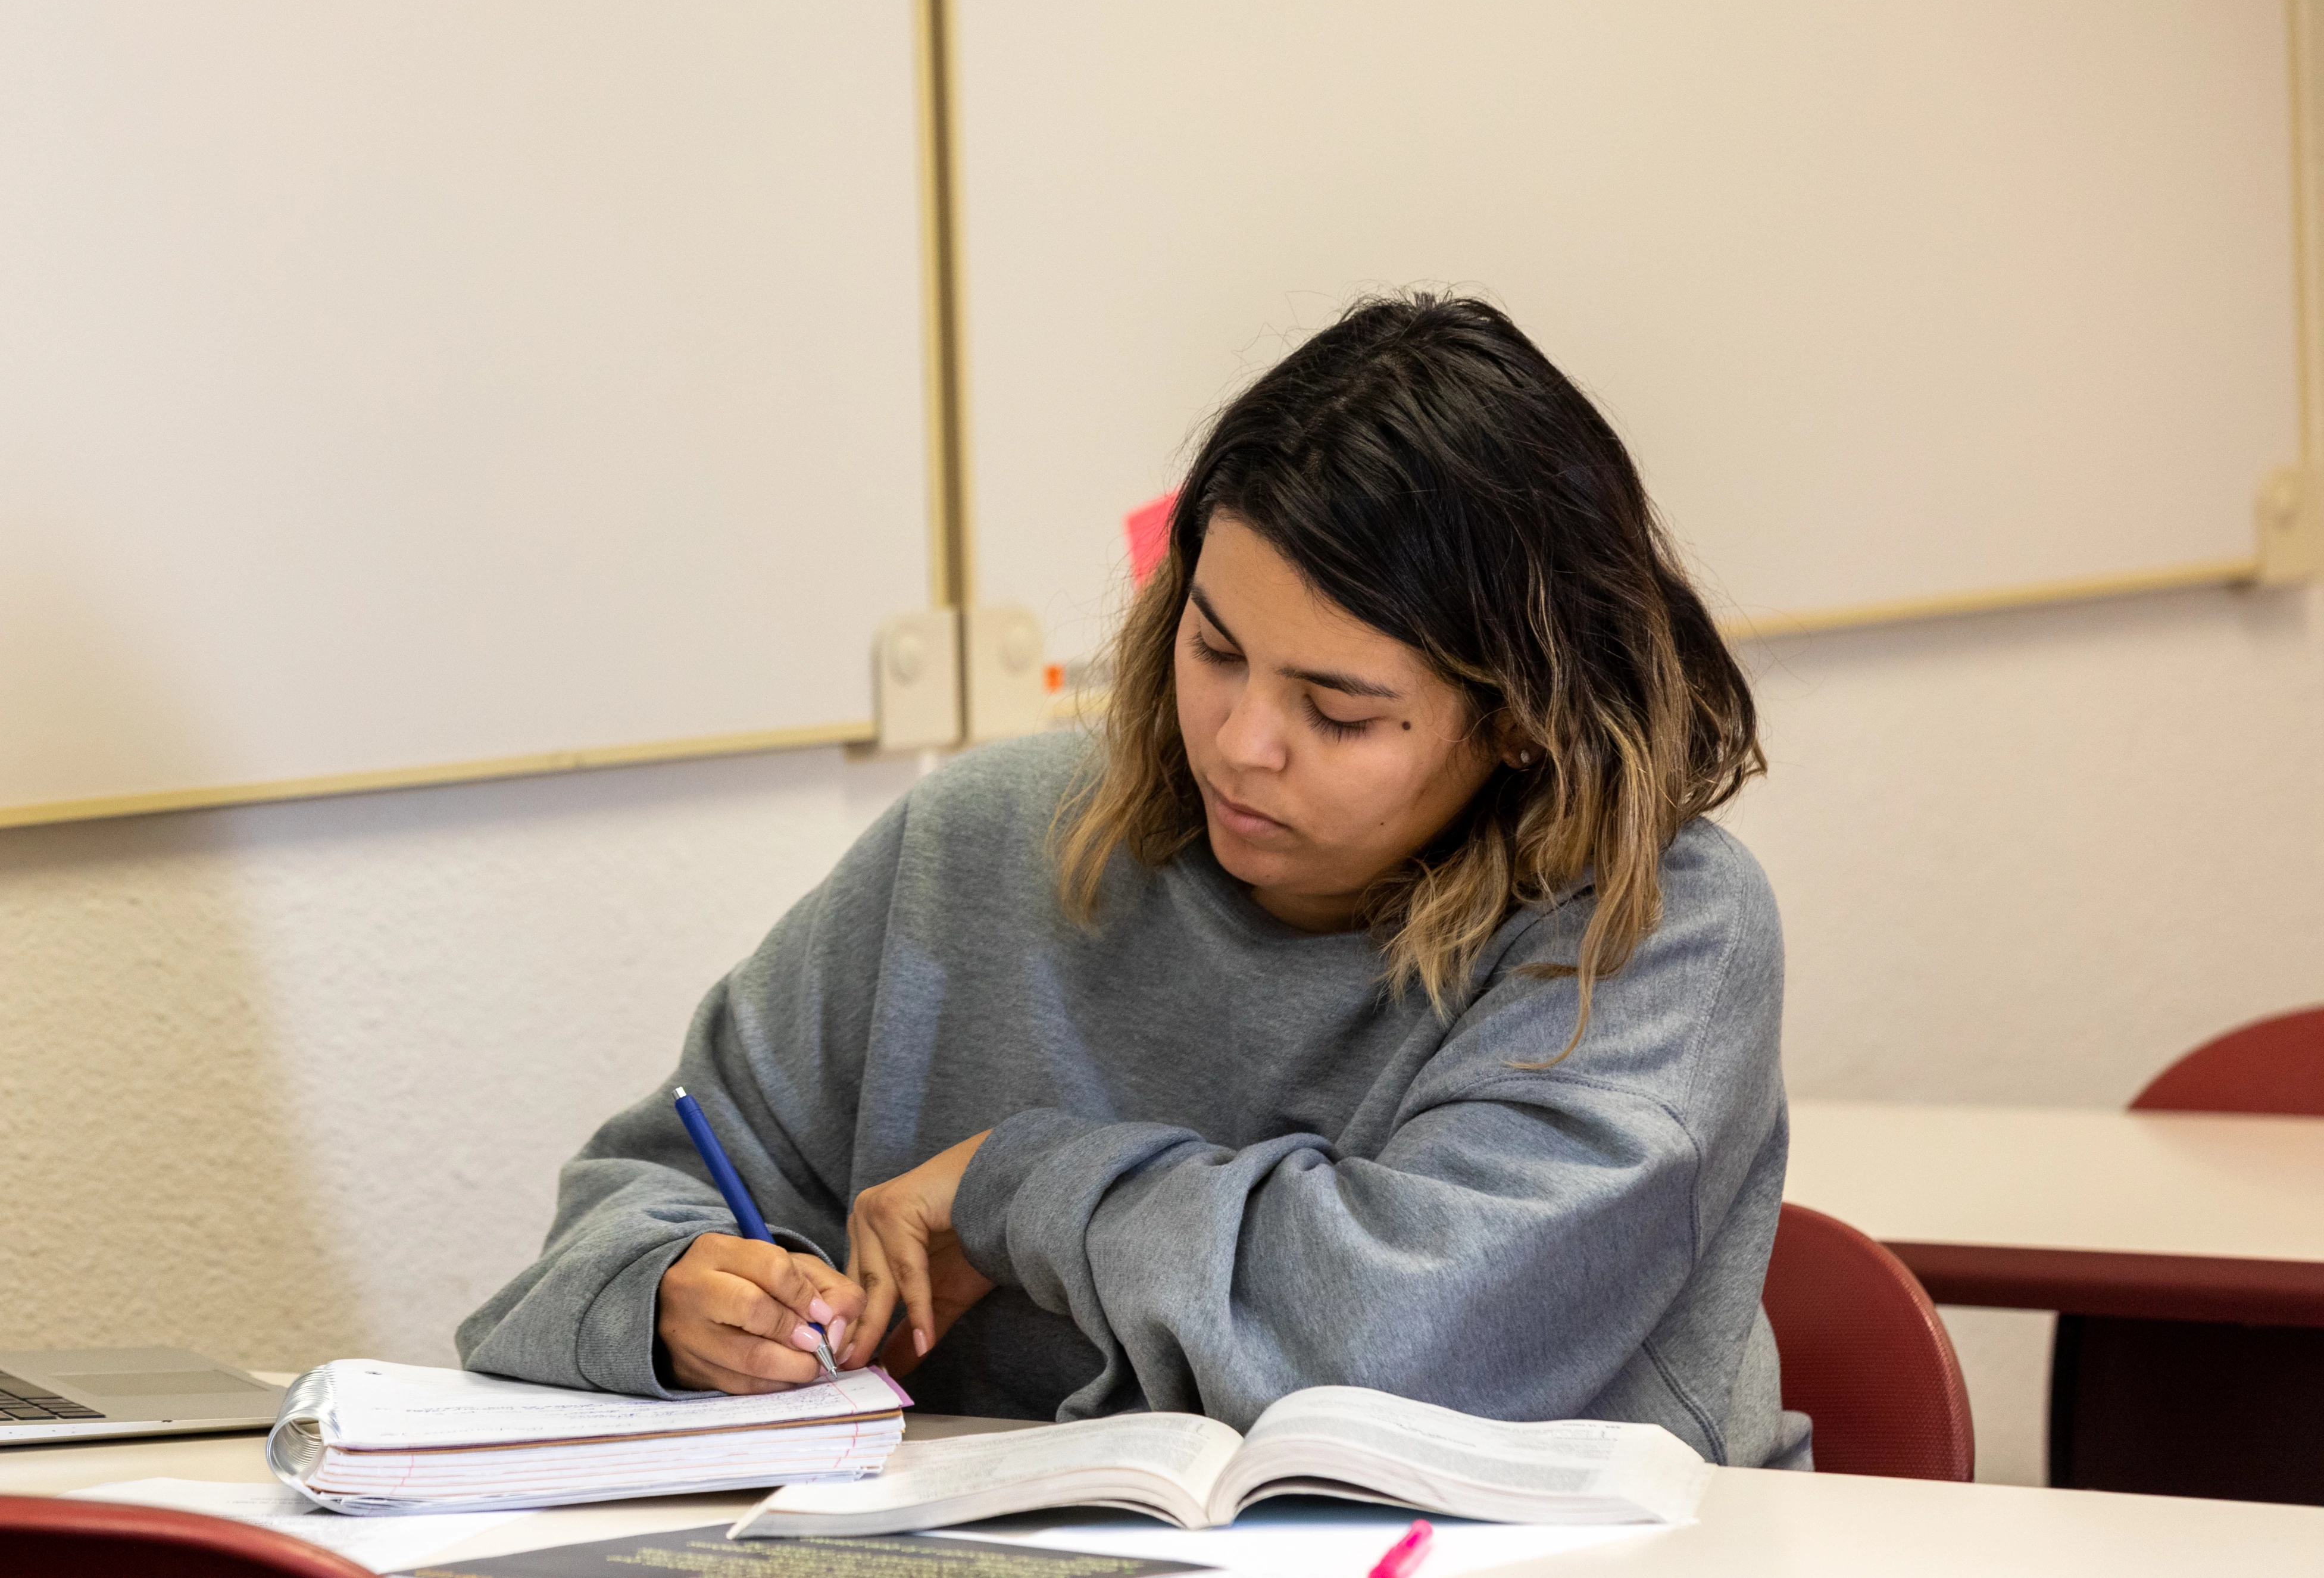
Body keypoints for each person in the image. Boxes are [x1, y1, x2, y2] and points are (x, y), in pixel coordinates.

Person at [458, 294, 1804, 1467]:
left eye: (1337, 713)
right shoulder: (983, 844)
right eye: (1214, 650)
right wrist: (671, 1301)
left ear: (1521, 718)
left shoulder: (1652, 923)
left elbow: (1404, 1337)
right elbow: (634, 1201)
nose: (1240, 741)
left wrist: (1015, 1185)